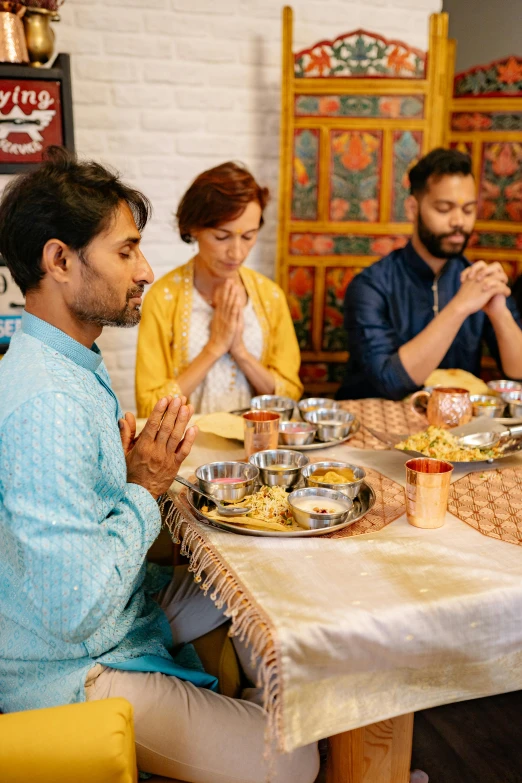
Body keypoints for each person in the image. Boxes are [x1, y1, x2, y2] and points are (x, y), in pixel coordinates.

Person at [0, 148, 318, 783]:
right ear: (59, 260)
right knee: (296, 759)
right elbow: (75, 611)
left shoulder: (62, 364)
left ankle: (249, 709)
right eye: (125, 251)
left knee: (249, 587)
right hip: (71, 664)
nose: (145, 268)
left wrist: (119, 481)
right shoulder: (49, 401)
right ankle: (260, 731)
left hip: (109, 609)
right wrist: (143, 485)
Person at [337, 148, 522, 400]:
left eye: (468, 210)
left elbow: (518, 373)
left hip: (458, 432)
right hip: (376, 431)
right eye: (444, 209)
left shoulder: (478, 282)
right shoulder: (371, 286)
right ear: (413, 208)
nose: (459, 221)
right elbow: (389, 381)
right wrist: (459, 307)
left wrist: (499, 312)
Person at [135, 162, 303, 417]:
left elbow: (290, 395)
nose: (237, 252)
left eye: (248, 236)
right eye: (222, 237)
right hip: (187, 451)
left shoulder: (270, 297)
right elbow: (149, 407)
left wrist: (241, 353)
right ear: (194, 229)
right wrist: (215, 346)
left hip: (256, 448)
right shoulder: (163, 299)